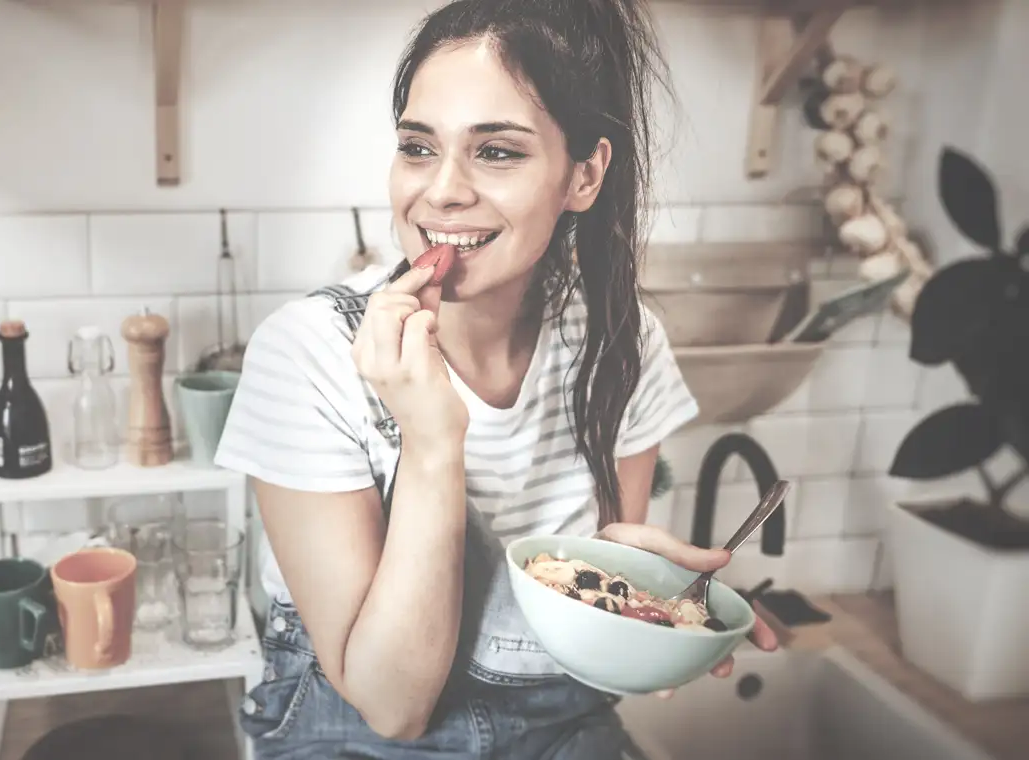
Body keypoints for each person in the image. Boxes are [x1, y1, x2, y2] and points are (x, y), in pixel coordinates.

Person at [213, 0, 779, 757]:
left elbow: (590, 610)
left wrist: (642, 609)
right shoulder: (307, 355)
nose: (441, 191)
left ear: (585, 175)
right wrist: (434, 438)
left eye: (498, 153)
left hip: (560, 727)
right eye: (419, 147)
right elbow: (390, 704)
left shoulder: (620, 341)